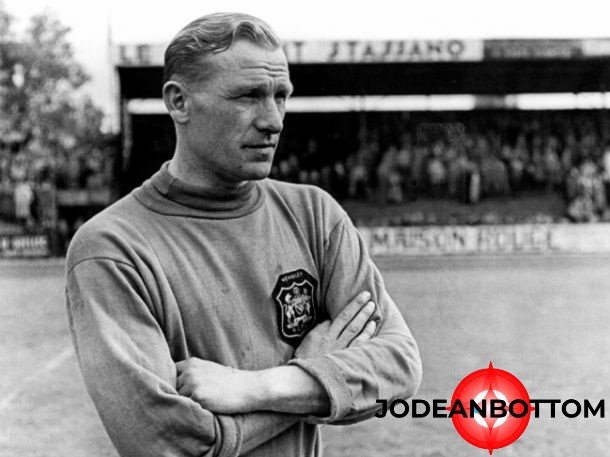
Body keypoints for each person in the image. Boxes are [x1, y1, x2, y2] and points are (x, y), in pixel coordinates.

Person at [65, 12, 422, 457]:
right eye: (249, 96)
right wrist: (316, 375)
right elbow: (168, 443)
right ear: (179, 102)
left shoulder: (315, 215)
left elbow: (398, 365)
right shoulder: (112, 249)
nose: (273, 120)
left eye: (281, 96)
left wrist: (259, 387)